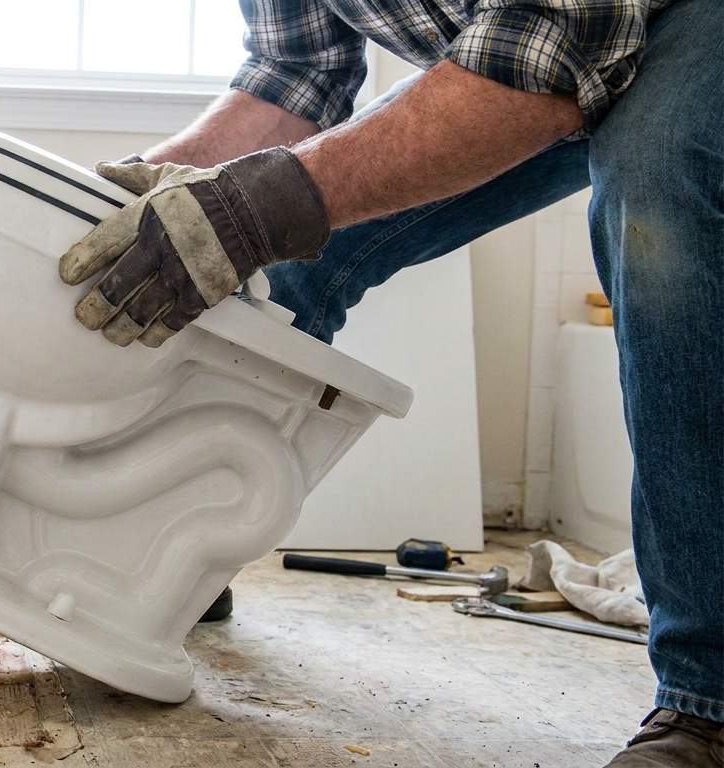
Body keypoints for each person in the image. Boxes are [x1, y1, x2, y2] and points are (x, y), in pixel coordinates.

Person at [58, 0, 722, 763]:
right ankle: (176, 560)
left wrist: (261, 205)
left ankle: (708, 700)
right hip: (534, 55)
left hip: (669, 23)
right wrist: (144, 194)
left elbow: (556, 47)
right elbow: (295, 71)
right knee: (275, 267)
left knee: (661, 184)